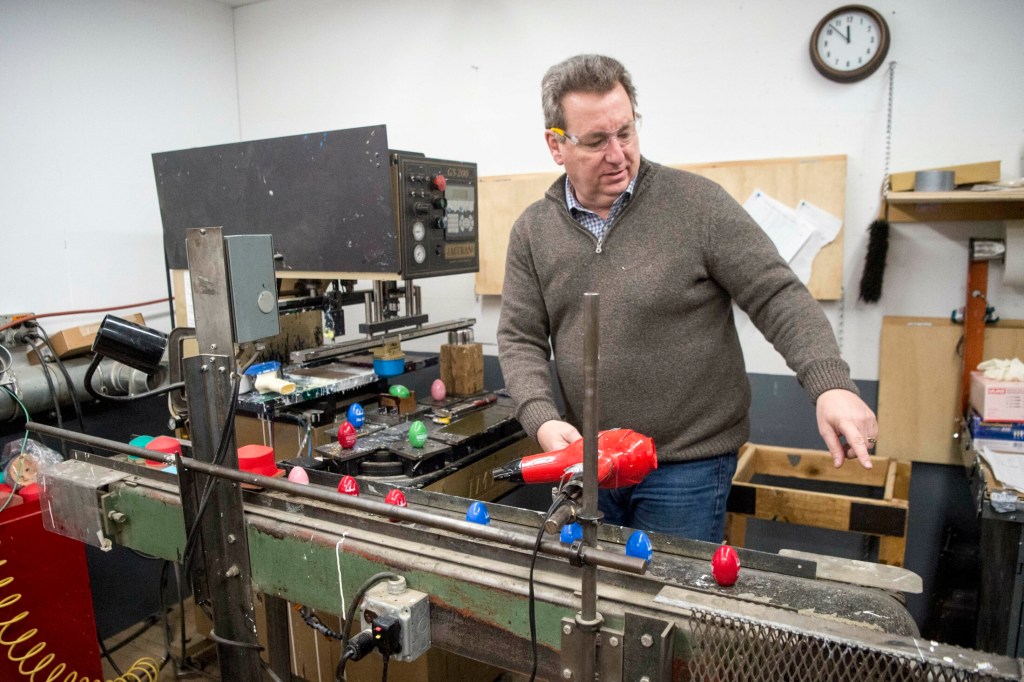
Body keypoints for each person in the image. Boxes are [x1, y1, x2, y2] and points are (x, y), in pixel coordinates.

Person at [496, 54, 878, 543]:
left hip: (687, 466)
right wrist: (542, 419)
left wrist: (830, 384)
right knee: (595, 597)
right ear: (556, 145)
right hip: (588, 459)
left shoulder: (698, 205)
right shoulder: (533, 230)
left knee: (665, 605)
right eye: (596, 141)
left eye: (626, 132)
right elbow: (520, 337)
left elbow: (776, 294)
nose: (618, 154)